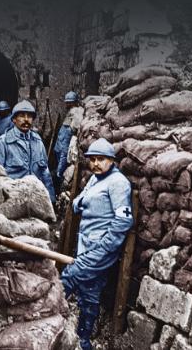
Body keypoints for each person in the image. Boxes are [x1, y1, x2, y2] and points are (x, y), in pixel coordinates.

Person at [60, 138, 133, 350]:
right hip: (86, 246)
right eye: (92, 160)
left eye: (101, 159)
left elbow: (123, 220)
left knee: (68, 278)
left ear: (112, 160)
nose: (96, 164)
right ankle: (83, 341)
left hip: (101, 250)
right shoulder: (95, 179)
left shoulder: (118, 183)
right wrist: (81, 201)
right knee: (89, 294)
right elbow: (77, 203)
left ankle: (45, 319)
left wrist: (104, 248)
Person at [0, 100, 56, 202]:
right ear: (14, 119)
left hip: (36, 199)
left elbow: (45, 173)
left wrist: (51, 199)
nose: (26, 119)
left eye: (29, 116)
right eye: (22, 116)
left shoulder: (37, 142)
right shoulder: (2, 143)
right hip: (12, 201)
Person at [54, 91, 84, 189]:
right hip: (58, 153)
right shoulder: (70, 114)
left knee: (60, 176)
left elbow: (64, 149)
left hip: (62, 156)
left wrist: (59, 170)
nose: (67, 104)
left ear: (75, 102)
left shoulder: (76, 112)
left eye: (69, 102)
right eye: (67, 102)